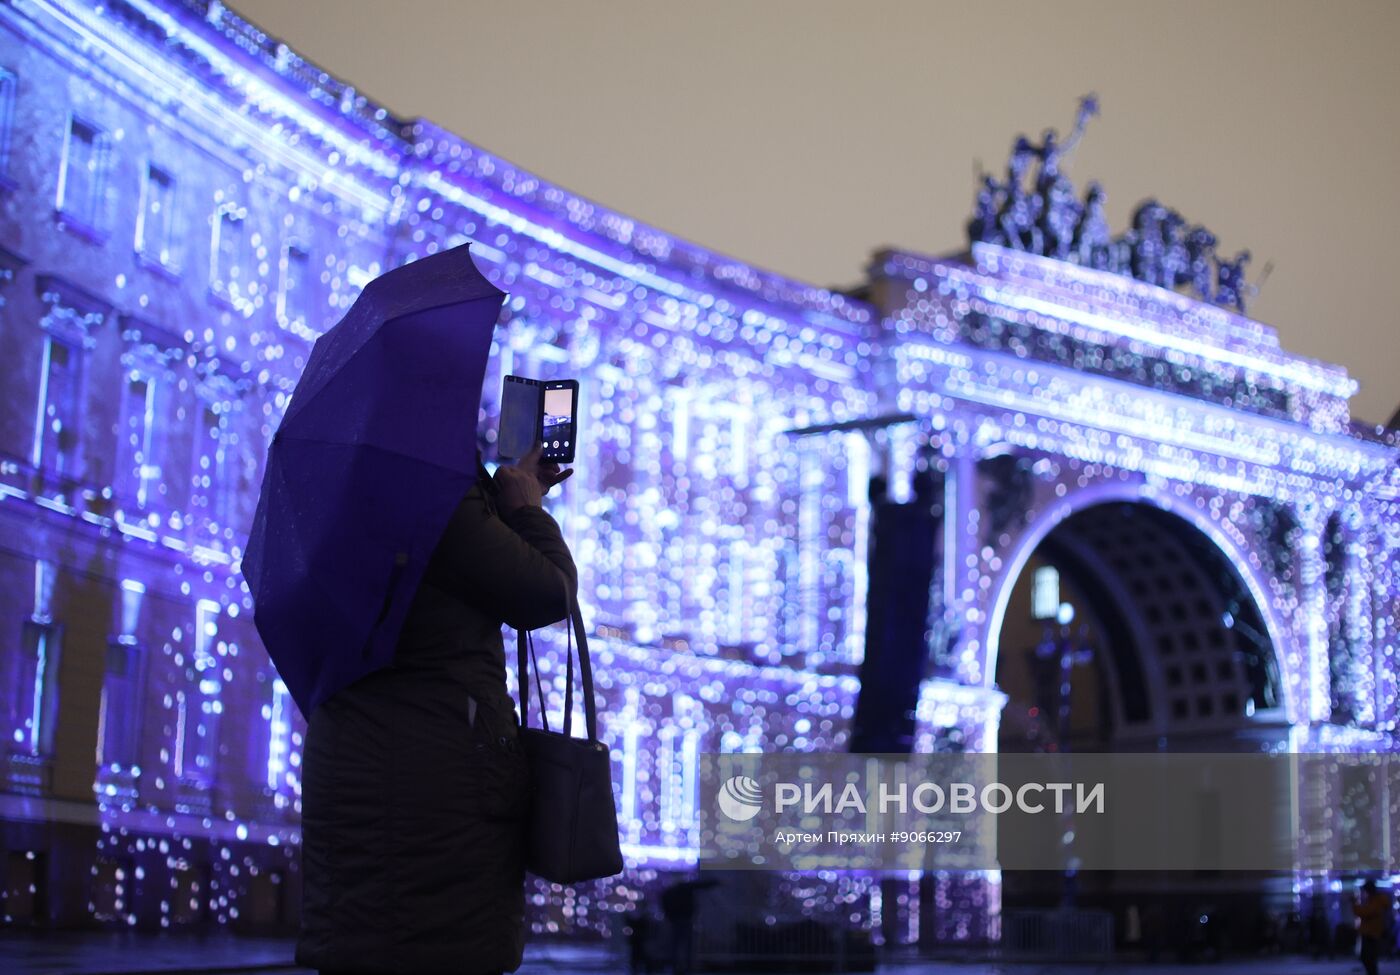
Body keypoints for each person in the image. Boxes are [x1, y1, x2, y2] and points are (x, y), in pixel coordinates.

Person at [296, 442, 575, 975]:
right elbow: (549, 593)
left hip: (354, 755)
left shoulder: (338, 473)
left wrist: (491, 495)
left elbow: (439, 571)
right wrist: (526, 513)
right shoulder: (428, 476)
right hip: (438, 775)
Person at [1355, 880, 1392, 975]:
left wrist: (1354, 906)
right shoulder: (1375, 900)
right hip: (1371, 932)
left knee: (1368, 957)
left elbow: (1366, 913)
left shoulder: (1376, 901)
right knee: (1368, 958)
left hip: (1371, 933)